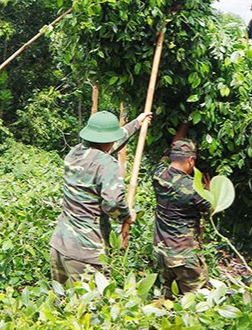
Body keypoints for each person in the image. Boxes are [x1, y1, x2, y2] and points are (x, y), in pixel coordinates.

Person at [49, 109, 151, 284]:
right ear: (108, 141)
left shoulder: (74, 153)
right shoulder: (107, 164)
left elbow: (109, 145)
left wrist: (137, 123)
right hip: (85, 252)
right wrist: (126, 216)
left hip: (60, 245)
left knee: (61, 299)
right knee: (92, 301)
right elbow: (113, 202)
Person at [151, 138, 213, 298]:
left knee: (169, 297)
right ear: (191, 160)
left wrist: (182, 129)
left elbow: (164, 158)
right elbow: (211, 209)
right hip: (184, 256)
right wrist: (208, 191)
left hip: (161, 252)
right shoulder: (192, 188)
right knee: (197, 299)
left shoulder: (158, 174)